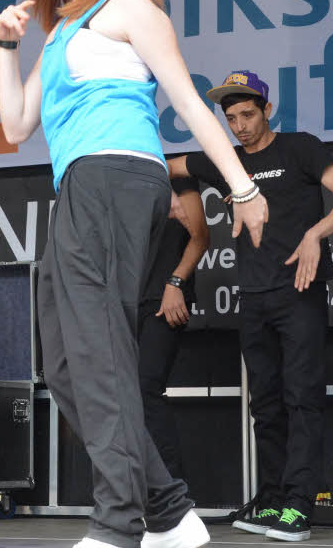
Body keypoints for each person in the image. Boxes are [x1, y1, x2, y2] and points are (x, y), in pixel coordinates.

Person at [0, 0, 267, 548]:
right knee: (64, 366)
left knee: (100, 353)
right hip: (77, 186)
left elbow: (190, 101)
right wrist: (7, 47)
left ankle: (118, 524)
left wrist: (241, 186)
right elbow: (14, 126)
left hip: (117, 173)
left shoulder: (132, 5)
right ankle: (170, 514)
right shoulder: (58, 29)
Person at [169, 70, 333, 543]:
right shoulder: (226, 162)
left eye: (247, 114)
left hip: (299, 292)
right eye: (230, 117)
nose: (238, 125)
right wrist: (183, 201)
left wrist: (314, 234)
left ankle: (300, 505)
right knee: (265, 404)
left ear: (267, 110)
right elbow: (164, 165)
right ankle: (275, 498)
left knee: (302, 398)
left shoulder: (299, 147)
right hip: (253, 298)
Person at [139, 164, 209, 481]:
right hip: (123, 299)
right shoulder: (115, 177)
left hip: (162, 297)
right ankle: (134, 491)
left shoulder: (178, 176)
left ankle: (171, 491)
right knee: (120, 396)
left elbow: (199, 236)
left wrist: (176, 283)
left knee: (146, 386)